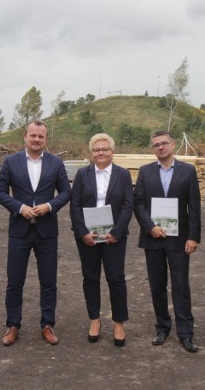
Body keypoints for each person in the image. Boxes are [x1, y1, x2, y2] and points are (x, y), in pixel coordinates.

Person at [0, 119, 71, 346]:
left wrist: (49, 206)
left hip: (47, 232)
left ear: (46, 139)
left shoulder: (56, 163)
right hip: (19, 231)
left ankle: (47, 325)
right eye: (33, 136)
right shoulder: (10, 162)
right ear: (25, 137)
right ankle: (13, 325)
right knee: (15, 281)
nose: (36, 140)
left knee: (48, 281)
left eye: (41, 136)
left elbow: (66, 192)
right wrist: (19, 207)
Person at [133, 130, 201, 353]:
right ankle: (162, 327)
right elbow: (139, 204)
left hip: (179, 239)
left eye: (164, 143)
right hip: (154, 238)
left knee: (181, 285)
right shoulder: (145, 172)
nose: (160, 147)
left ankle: (185, 333)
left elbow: (194, 207)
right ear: (152, 149)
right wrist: (149, 227)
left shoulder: (188, 171)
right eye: (156, 145)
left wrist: (193, 236)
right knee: (157, 285)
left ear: (173, 145)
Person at [70, 133, 133, 347]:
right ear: (91, 153)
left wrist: (116, 231)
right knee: (90, 277)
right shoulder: (82, 175)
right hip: (89, 237)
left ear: (112, 152)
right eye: (97, 149)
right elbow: (75, 205)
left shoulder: (123, 175)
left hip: (113, 237)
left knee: (116, 279)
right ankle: (94, 320)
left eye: (105, 149)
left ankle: (118, 323)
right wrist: (82, 233)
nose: (101, 153)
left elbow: (127, 205)